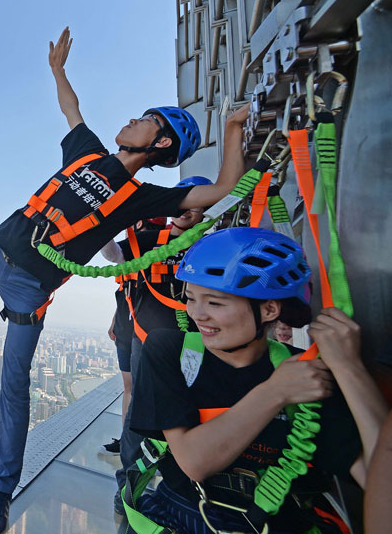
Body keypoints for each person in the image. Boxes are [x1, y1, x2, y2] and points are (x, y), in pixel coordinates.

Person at [0, 27, 248, 534]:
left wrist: (235, 130)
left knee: (13, 390)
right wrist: (57, 70)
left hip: (30, 287)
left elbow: (222, 188)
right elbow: (73, 109)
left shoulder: (140, 198)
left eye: (145, 121)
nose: (131, 119)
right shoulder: (87, 152)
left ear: (159, 142)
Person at [128, 227, 389, 533]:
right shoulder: (171, 351)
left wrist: (349, 369)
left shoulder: (307, 374)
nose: (198, 315)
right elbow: (194, 462)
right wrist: (275, 392)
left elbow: (379, 480)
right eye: (191, 299)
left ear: (268, 309)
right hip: (182, 515)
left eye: (215, 303)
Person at [101, 176, 212, 512]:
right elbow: (116, 255)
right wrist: (104, 223)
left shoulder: (207, 247)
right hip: (147, 342)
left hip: (194, 345)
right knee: (139, 417)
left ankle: (182, 488)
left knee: (187, 414)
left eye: (197, 208)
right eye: (182, 205)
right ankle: (129, 491)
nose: (187, 212)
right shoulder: (150, 240)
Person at [100, 216, 168, 456]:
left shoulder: (140, 246)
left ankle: (131, 441)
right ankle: (134, 441)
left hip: (133, 328)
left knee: (132, 389)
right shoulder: (169, 245)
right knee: (140, 389)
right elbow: (127, 292)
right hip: (137, 326)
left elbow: (125, 286)